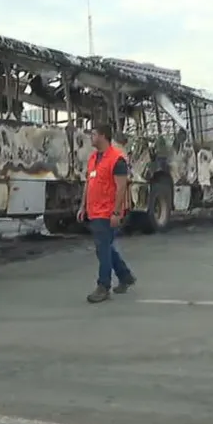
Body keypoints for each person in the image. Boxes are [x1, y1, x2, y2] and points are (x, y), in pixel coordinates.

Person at [77, 123, 136, 303]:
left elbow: (121, 188)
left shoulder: (117, 159)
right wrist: (82, 206)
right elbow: (89, 183)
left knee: (102, 249)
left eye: (93, 134)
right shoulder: (94, 158)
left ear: (103, 136)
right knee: (105, 247)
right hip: (94, 211)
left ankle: (103, 286)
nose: (91, 137)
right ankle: (125, 276)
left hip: (108, 212)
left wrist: (116, 213)